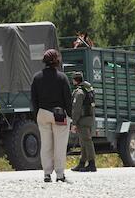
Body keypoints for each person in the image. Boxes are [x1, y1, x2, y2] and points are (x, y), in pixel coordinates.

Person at [31, 49, 72, 182]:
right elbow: (68, 99)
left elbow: (34, 99)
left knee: (46, 144)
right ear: (57, 61)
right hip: (59, 114)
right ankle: (60, 174)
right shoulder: (62, 77)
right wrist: (71, 117)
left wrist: (37, 113)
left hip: (42, 113)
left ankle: (47, 173)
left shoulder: (37, 77)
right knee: (59, 145)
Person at [71, 72, 97, 172]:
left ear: (75, 80)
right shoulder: (88, 89)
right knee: (83, 142)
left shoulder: (79, 92)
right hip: (89, 118)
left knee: (86, 141)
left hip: (82, 119)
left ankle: (92, 164)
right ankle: (82, 163)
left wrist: (74, 122)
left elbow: (76, 109)